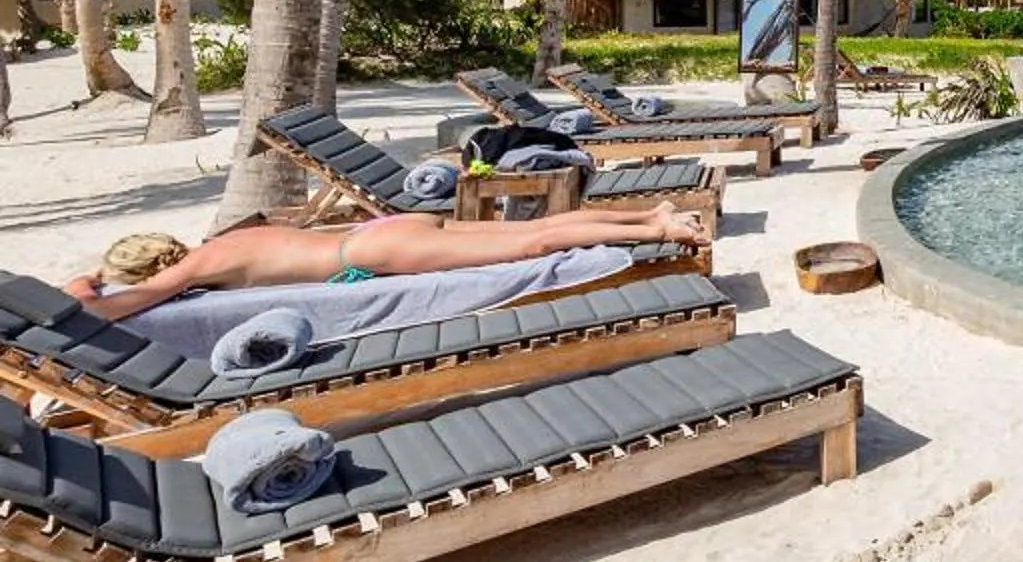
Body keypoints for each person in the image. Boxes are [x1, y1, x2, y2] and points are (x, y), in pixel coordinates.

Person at [61, 203, 709, 323]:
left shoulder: (199, 266)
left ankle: (656, 223)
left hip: (373, 251)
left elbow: (123, 306)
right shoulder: (223, 240)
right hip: (380, 231)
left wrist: (85, 288)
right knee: (533, 229)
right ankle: (649, 215)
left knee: (531, 245)